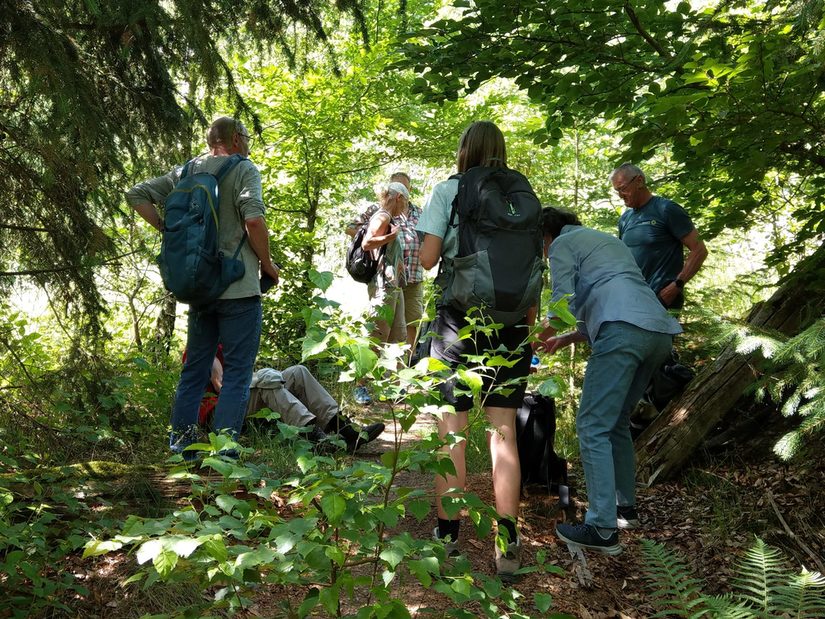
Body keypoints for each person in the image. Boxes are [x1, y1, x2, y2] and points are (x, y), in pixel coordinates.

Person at [416, 121, 534, 578]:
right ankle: (507, 545)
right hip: (511, 327)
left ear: (465, 150)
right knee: (503, 434)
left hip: (459, 322)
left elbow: (427, 260)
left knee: (453, 432)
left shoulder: (450, 191)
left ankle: (447, 541)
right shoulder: (520, 198)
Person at [126, 116, 280, 458]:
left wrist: (169, 229)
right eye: (247, 137)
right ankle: (224, 453)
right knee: (238, 372)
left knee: (195, 369)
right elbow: (253, 219)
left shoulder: (187, 170)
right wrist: (268, 265)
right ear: (237, 139)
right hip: (238, 287)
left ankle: (181, 447)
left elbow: (136, 195)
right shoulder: (244, 170)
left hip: (201, 286)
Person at [536, 207, 682, 555]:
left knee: (591, 425)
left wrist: (542, 334)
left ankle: (602, 528)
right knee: (615, 422)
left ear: (546, 235)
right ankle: (624, 509)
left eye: (539, 244)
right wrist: (565, 339)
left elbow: (562, 298)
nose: (542, 252)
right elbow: (609, 304)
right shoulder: (604, 242)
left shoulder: (562, 245)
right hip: (657, 334)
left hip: (624, 334)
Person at [201, 352, 385, 452]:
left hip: (239, 399)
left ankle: (345, 429)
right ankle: (315, 439)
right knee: (267, 383)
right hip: (221, 413)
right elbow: (221, 386)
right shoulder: (207, 345)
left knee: (298, 372)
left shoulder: (230, 339)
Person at [346, 179, 413, 405]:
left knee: (398, 336)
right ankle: (360, 386)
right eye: (405, 202)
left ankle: (392, 388)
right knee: (377, 336)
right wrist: (389, 237)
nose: (406, 207)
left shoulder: (389, 217)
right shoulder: (383, 216)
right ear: (398, 198)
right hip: (383, 287)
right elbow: (367, 244)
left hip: (394, 286)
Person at [610, 163, 708, 309]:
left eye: (623, 189)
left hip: (662, 300)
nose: (620, 196)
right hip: (633, 300)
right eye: (617, 191)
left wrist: (676, 286)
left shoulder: (666, 209)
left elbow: (699, 250)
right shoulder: (625, 218)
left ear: (639, 181)